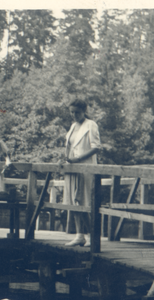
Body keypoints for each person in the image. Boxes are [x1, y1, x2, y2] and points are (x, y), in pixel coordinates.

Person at [62, 98, 101, 247]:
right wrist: (67, 159)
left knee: (85, 202)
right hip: (72, 168)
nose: (74, 115)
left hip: (85, 168)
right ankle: (80, 235)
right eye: (71, 112)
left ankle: (92, 236)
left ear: (84, 111)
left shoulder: (90, 125)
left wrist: (77, 159)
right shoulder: (73, 126)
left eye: (77, 112)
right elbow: (70, 146)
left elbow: (96, 147)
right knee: (74, 201)